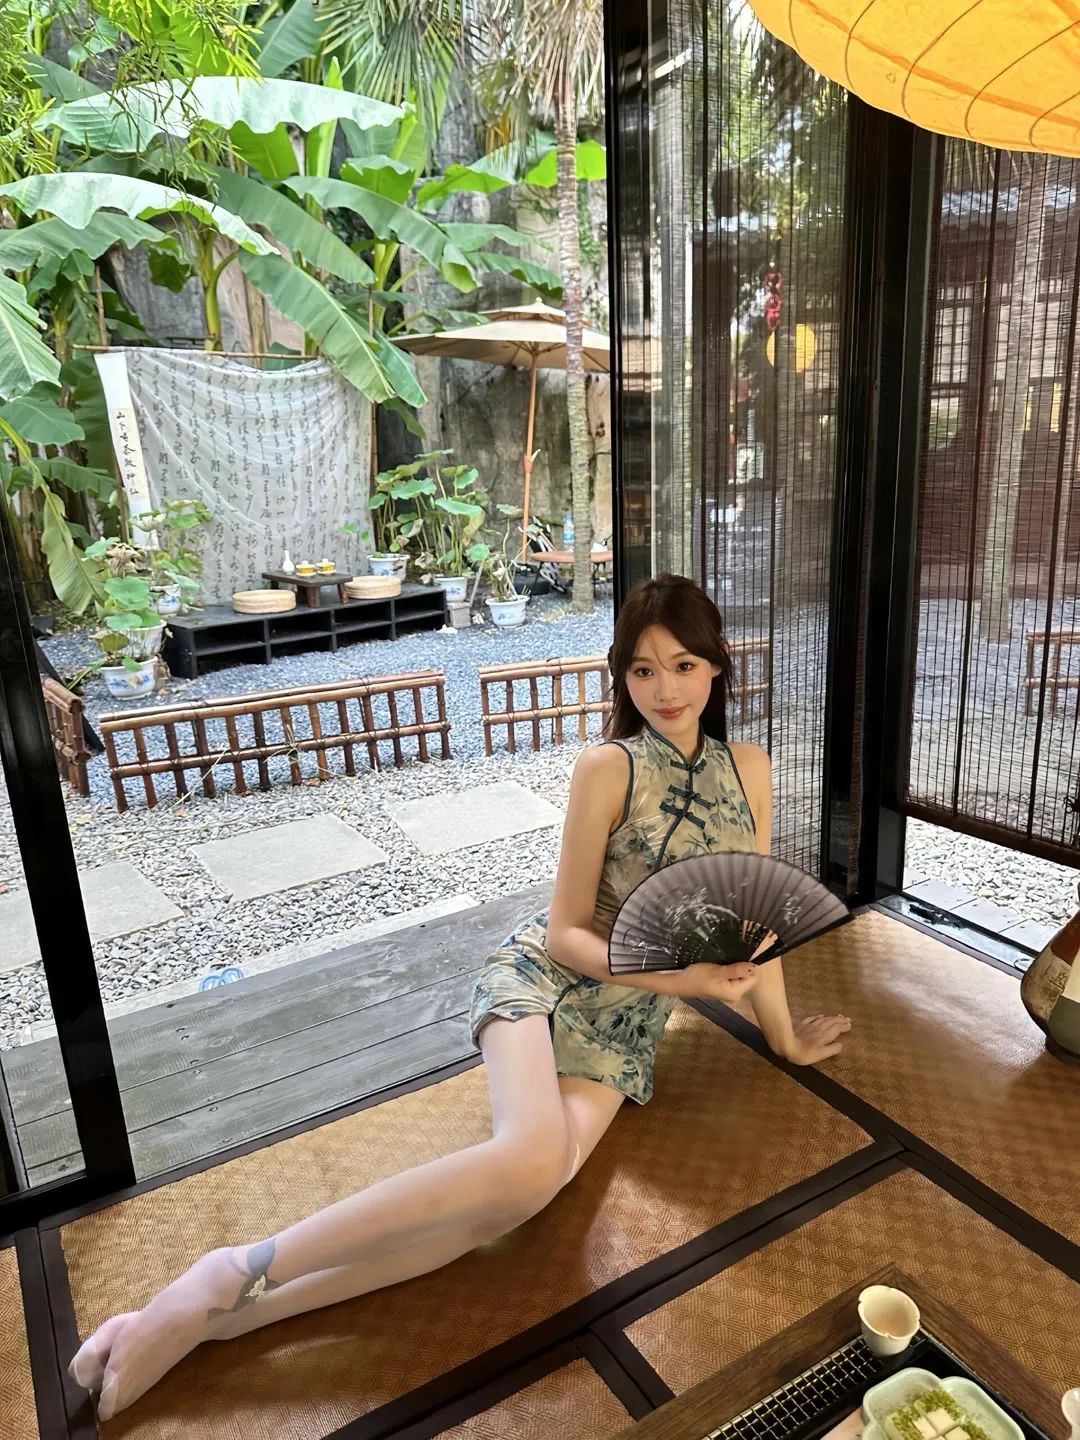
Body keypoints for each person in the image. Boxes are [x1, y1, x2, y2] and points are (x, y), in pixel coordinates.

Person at [69, 573, 852, 1422]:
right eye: (642, 669)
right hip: (546, 981)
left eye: (684, 665)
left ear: (718, 667)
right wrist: (683, 982)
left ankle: (224, 1317)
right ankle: (235, 1267)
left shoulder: (749, 768)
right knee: (525, 1162)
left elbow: (752, 919)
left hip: (623, 1026)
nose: (665, 689)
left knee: (516, 1198)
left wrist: (783, 1038)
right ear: (622, 675)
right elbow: (565, 934)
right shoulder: (609, 767)